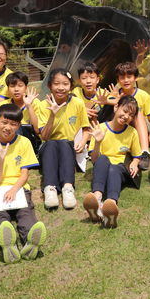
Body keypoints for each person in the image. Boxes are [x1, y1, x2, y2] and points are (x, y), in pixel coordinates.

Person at [0, 103, 46, 264]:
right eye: (4, 122)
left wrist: (14, 189)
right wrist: (1, 159)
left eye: (13, 124)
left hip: (18, 188)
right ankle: (6, 244)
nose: (8, 127)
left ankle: (30, 240)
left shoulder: (24, 142)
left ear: (18, 126)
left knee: (25, 212)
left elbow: (25, 174)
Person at [83, 96, 142, 228]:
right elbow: (94, 160)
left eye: (131, 115)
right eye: (125, 111)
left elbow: (137, 155)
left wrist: (135, 162)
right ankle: (97, 199)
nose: (126, 116)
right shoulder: (100, 128)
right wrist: (98, 142)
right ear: (116, 108)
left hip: (119, 169)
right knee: (103, 159)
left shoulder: (132, 132)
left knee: (114, 168)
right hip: (102, 166)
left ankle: (110, 205)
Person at [38, 68, 91, 209]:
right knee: (51, 144)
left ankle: (68, 188)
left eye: (65, 84)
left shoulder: (78, 103)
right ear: (50, 86)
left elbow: (86, 129)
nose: (61, 88)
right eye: (56, 83)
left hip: (68, 146)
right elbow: (44, 136)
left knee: (64, 143)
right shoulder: (43, 106)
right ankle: (50, 189)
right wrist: (52, 115)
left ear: (71, 86)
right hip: (48, 146)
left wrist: (83, 141)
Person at [0, 71, 41, 151]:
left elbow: (37, 130)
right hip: (7, 135)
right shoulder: (4, 104)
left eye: (20, 86)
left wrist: (29, 106)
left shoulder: (35, 102)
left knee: (16, 128)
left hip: (28, 138)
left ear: (26, 88)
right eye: (12, 86)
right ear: (8, 89)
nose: (16, 89)